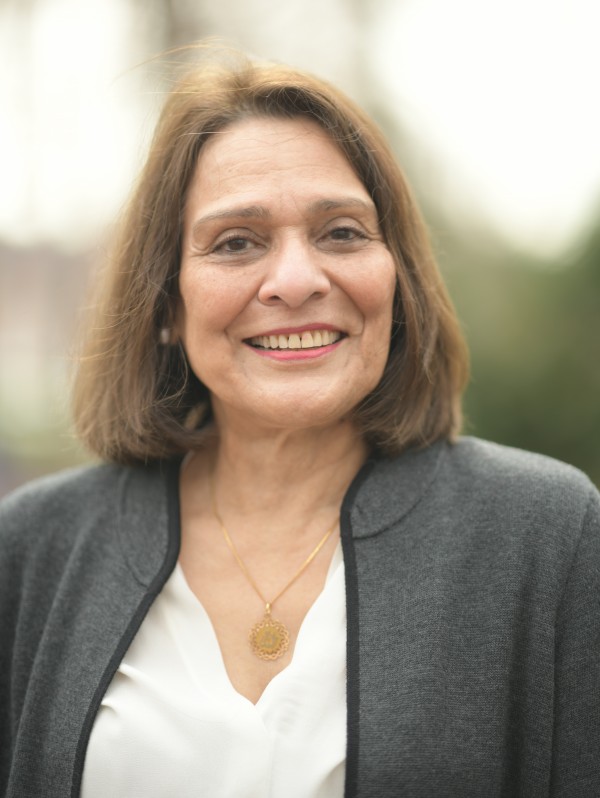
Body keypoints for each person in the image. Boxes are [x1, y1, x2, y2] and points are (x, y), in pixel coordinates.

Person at [1, 47, 599, 798]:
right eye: (237, 243)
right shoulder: (31, 550)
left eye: (342, 232)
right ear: (165, 307)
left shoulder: (544, 537)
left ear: (397, 280)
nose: (294, 281)